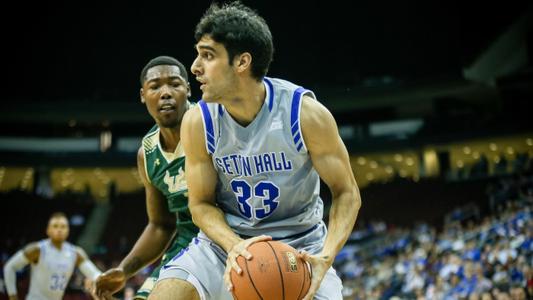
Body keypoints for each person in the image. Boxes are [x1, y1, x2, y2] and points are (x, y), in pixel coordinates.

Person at [150, 2, 361, 300]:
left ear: (242, 62)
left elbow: (347, 192)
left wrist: (326, 256)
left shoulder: (304, 115)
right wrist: (233, 244)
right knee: (166, 295)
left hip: (299, 249)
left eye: (207, 55)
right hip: (224, 245)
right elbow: (200, 205)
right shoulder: (198, 121)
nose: (195, 67)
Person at [94, 56, 198, 299]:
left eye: (174, 84)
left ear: (188, 89)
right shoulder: (147, 155)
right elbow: (161, 225)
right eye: (155, 87)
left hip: (231, 239)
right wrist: (124, 270)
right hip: (188, 246)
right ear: (143, 95)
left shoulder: (212, 123)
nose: (165, 93)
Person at [3, 212, 102, 300]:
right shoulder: (37, 249)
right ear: (48, 230)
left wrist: (107, 279)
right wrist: (12, 296)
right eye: (55, 226)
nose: (59, 229)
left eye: (63, 226)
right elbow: (9, 267)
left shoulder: (76, 253)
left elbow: (95, 274)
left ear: (68, 230)